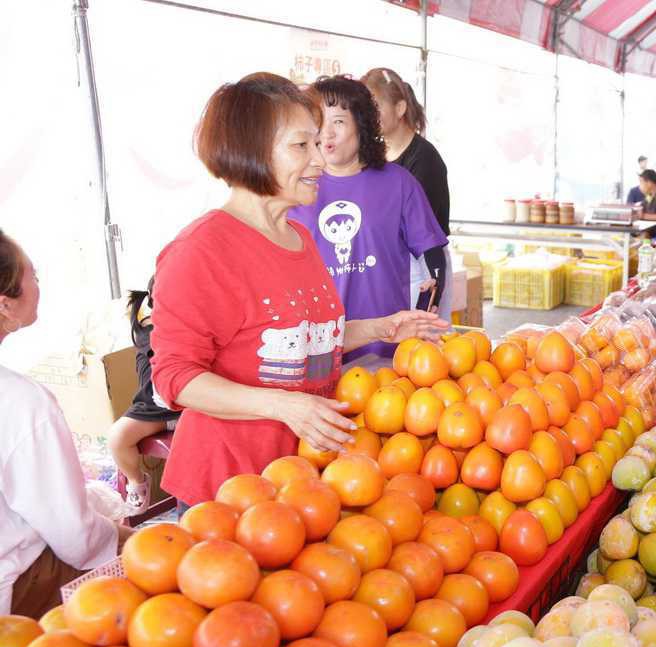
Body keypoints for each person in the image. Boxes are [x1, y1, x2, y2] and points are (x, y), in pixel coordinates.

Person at [151, 72, 445, 510]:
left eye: (317, 144)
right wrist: (285, 407)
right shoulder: (201, 251)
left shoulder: (299, 239)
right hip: (228, 492)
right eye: (301, 146)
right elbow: (175, 377)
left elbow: (310, 342)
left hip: (300, 483)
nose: (320, 161)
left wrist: (381, 329)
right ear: (251, 149)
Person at [1, 230, 127, 617]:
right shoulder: (21, 401)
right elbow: (75, 537)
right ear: (5, 305)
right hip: (17, 591)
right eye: (33, 275)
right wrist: (127, 539)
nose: (39, 285)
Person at [291, 75, 451, 361]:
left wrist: (430, 302)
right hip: (317, 345)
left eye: (338, 122)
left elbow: (432, 251)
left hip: (388, 341)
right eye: (319, 123)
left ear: (361, 125)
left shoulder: (399, 183)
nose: (326, 133)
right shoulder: (296, 188)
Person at [362, 68, 454, 320]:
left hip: (422, 264)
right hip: (389, 263)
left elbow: (425, 234)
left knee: (422, 346)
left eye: (375, 106)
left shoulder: (425, 159)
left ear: (400, 108)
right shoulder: (375, 156)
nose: (368, 115)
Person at [107, 276, 181, 512]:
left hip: (191, 407)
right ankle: (136, 481)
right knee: (118, 437)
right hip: (154, 410)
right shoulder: (148, 333)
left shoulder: (199, 329)